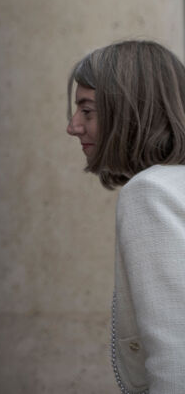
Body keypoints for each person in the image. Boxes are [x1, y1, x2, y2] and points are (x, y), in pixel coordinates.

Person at [66, 40, 185, 393]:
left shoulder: (150, 192)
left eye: (87, 111)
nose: (73, 126)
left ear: (130, 112)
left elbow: (175, 353)